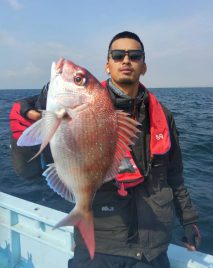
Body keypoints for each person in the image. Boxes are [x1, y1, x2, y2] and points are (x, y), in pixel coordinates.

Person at [10, 31, 201, 267]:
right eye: (118, 55)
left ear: (144, 66)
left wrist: (189, 220)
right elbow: (27, 172)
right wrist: (26, 128)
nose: (126, 60)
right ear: (107, 66)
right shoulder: (75, 110)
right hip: (100, 246)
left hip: (153, 248)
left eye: (135, 55)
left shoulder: (164, 116)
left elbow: (175, 174)